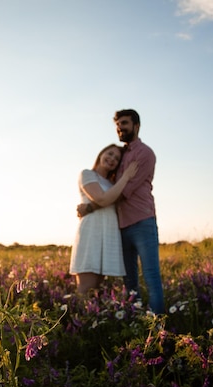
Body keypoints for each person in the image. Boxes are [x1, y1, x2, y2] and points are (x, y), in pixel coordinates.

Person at [78, 109, 165, 314]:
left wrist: (90, 206)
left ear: (136, 126)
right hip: (121, 226)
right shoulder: (122, 154)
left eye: (124, 123)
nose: (120, 128)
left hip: (142, 221)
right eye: (117, 125)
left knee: (151, 276)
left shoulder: (144, 153)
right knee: (129, 281)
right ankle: (135, 320)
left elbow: (123, 192)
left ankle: (160, 330)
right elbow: (108, 187)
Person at [69, 144, 139, 294]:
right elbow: (101, 198)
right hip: (91, 231)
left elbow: (111, 199)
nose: (112, 159)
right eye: (110, 153)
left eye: (116, 158)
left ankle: (92, 316)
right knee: (86, 285)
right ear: (101, 154)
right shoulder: (87, 174)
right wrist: (126, 176)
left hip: (108, 232)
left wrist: (89, 207)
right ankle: (79, 316)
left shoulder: (113, 184)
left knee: (97, 288)